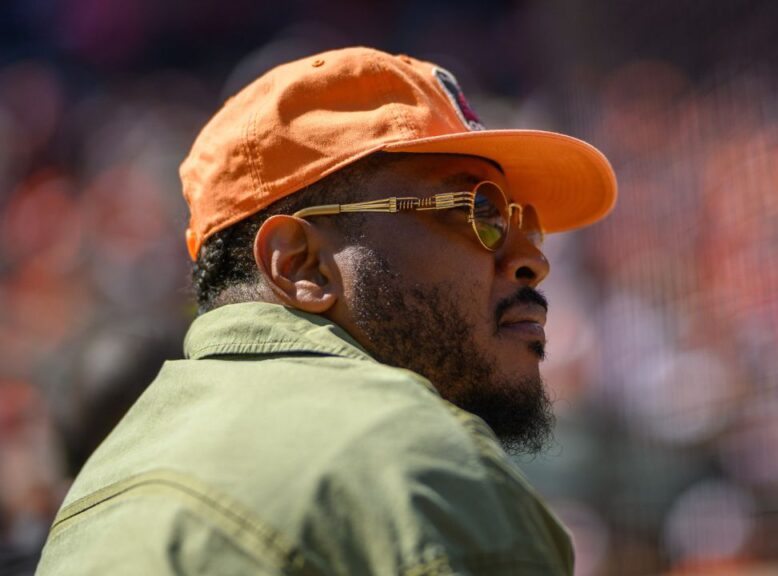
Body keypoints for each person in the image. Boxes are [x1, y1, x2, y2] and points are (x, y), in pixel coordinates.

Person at [36, 46, 616, 575]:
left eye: (525, 222)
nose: (530, 261)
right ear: (299, 265)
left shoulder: (95, 492)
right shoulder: (414, 458)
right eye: (479, 210)